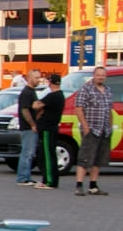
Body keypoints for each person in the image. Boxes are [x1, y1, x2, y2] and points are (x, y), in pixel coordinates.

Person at [73, 65, 112, 196]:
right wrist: (85, 127)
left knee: (98, 159)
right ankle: (79, 185)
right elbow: (78, 109)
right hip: (91, 129)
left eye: (103, 75)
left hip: (104, 129)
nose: (101, 77)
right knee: (85, 158)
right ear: (94, 76)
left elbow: (109, 110)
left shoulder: (107, 90)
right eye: (99, 74)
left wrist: (110, 127)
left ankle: (93, 186)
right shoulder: (86, 89)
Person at [33, 73, 65, 190]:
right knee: (49, 154)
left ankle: (49, 181)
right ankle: (48, 179)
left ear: (50, 82)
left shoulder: (53, 96)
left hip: (48, 128)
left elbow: (36, 105)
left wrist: (36, 104)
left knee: (47, 155)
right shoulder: (60, 95)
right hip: (50, 128)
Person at [14, 69, 43, 187]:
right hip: (28, 128)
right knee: (27, 152)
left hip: (29, 127)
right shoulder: (27, 92)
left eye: (39, 77)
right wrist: (33, 124)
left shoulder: (32, 92)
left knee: (29, 152)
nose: (38, 80)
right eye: (36, 78)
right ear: (29, 78)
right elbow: (25, 110)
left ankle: (26, 176)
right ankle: (22, 178)